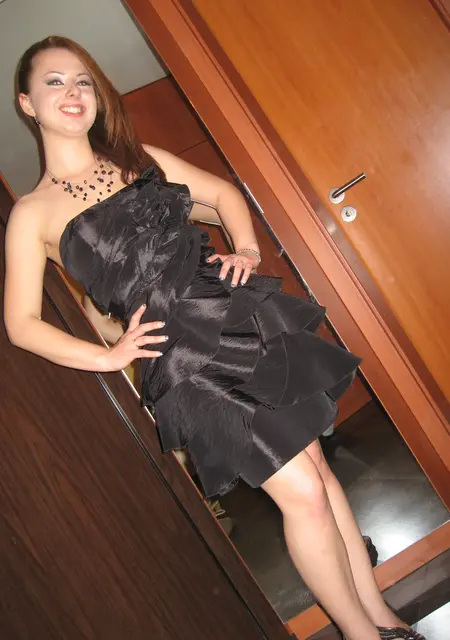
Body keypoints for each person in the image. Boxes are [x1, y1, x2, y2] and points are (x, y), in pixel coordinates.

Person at [3, 36, 425, 640]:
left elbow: (223, 195)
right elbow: (21, 325)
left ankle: (383, 620)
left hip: (238, 320)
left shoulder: (140, 160)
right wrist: (109, 356)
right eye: (54, 82)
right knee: (303, 491)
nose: (72, 92)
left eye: (83, 81)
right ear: (26, 102)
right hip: (184, 364)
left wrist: (245, 249)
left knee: (319, 476)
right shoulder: (32, 214)